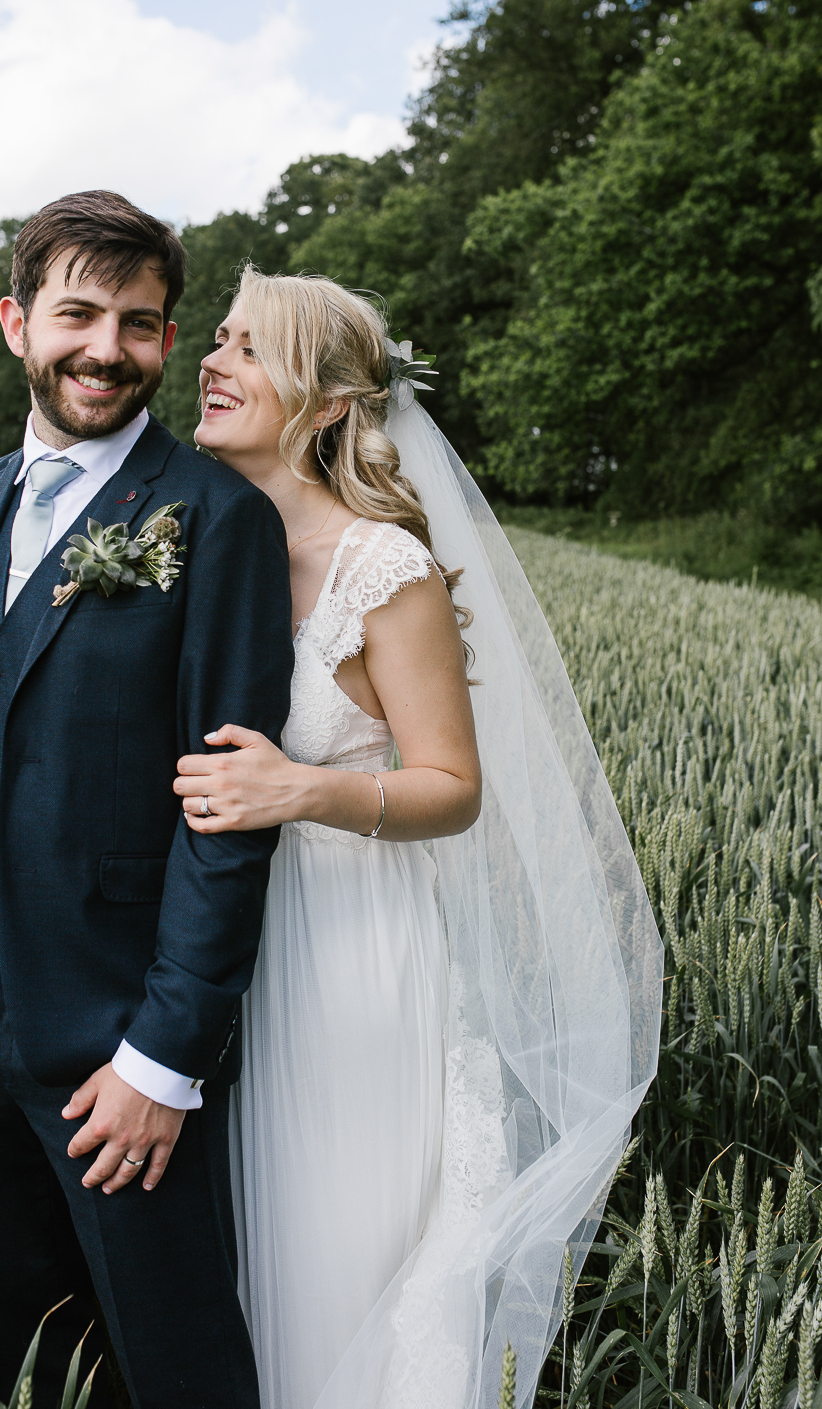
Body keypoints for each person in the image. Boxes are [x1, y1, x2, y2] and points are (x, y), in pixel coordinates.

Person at [173, 270, 664, 1409]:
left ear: (331, 402)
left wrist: (299, 791)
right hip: (216, 953)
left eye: (250, 349)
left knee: (333, 1257)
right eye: (219, 338)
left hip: (349, 954)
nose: (213, 361)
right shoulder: (197, 544)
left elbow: (452, 786)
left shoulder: (382, 567)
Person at [0, 191, 293, 1408]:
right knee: (34, 1362)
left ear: (168, 343)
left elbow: (229, 812)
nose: (107, 350)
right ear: (19, 324)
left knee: (174, 1364)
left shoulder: (218, 518)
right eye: (79, 314)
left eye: (139, 324)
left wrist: (164, 1058)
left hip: (118, 1044)